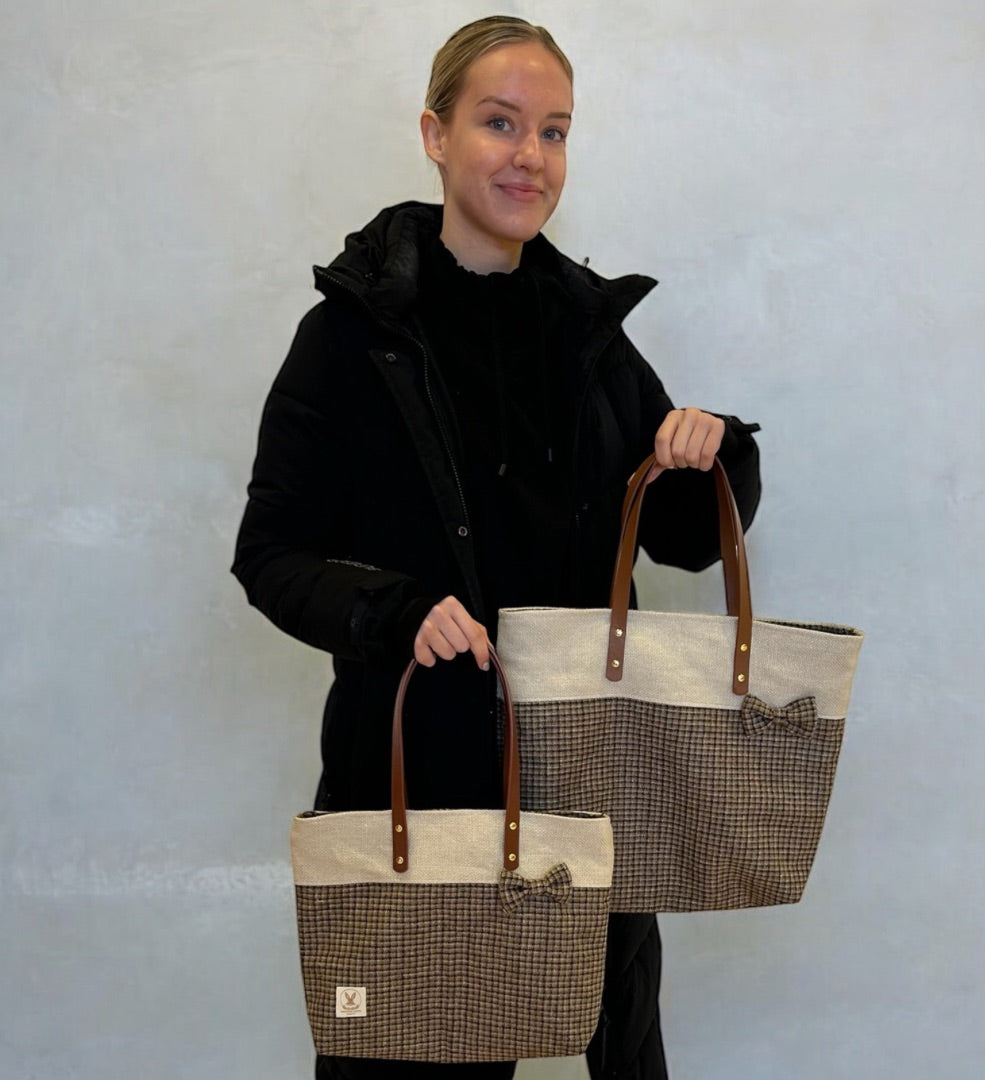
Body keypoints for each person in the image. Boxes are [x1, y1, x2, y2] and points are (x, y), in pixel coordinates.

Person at [232, 15, 761, 1080]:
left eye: (555, 131)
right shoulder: (350, 336)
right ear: (435, 134)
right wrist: (393, 610)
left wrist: (709, 459)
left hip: (585, 787)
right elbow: (272, 553)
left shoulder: (587, 332)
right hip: (422, 788)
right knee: (415, 1061)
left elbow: (679, 541)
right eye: (500, 122)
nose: (530, 155)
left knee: (614, 1050)